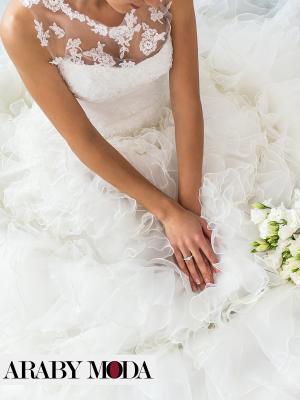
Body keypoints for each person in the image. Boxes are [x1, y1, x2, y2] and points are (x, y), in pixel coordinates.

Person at [0, 0, 299, 398]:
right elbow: (83, 140)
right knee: (139, 289)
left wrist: (189, 208)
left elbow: (187, 100)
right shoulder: (25, 23)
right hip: (96, 159)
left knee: (233, 248)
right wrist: (166, 213)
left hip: (177, 130)